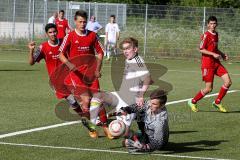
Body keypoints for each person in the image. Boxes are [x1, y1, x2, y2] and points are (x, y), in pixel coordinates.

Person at [58, 10, 111, 139]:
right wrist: (70, 66)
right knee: (86, 101)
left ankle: (106, 128)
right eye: (80, 22)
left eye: (84, 22)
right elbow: (61, 54)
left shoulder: (92, 35)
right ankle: (91, 128)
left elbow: (100, 52)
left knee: (98, 99)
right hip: (76, 75)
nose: (82, 24)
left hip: (91, 73)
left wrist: (98, 68)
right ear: (75, 22)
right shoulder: (69, 36)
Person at [89, 37, 152, 138]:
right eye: (124, 49)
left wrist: (140, 95)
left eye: (128, 48)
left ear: (135, 49)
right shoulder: (129, 59)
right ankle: (94, 122)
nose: (125, 51)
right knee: (97, 96)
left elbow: (147, 78)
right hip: (120, 95)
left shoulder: (137, 61)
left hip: (130, 101)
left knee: (121, 132)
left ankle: (137, 134)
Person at [28, 23, 83, 118]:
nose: (53, 34)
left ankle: (95, 115)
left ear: (57, 32)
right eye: (50, 32)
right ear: (47, 34)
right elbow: (31, 63)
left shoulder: (64, 42)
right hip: (57, 81)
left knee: (83, 96)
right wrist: (31, 50)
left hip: (70, 76)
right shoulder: (43, 47)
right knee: (73, 101)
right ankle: (86, 118)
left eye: (54, 32)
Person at [188, 16, 232, 113]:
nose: (213, 25)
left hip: (216, 63)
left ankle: (217, 102)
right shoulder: (206, 35)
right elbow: (201, 49)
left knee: (228, 82)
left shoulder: (216, 34)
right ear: (208, 24)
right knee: (208, 89)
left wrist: (222, 54)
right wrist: (213, 54)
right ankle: (193, 101)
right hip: (207, 64)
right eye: (211, 24)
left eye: (214, 23)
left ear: (217, 24)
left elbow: (215, 49)